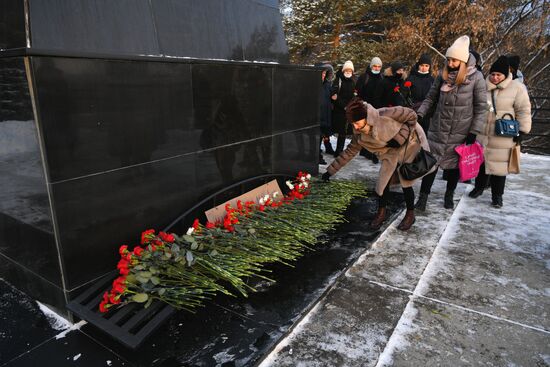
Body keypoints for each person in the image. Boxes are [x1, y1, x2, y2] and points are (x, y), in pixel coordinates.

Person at [322, 97, 432, 231]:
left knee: (406, 181)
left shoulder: (384, 114)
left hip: (408, 146)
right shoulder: (359, 135)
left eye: (357, 123)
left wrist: (400, 137)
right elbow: (349, 152)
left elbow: (411, 115)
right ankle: (381, 213)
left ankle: (410, 214)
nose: (355, 127)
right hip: (389, 154)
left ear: (366, 117)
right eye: (353, 124)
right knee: (382, 183)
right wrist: (329, 172)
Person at [415, 35, 488, 211]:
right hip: (438, 128)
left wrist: (473, 131)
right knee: (431, 164)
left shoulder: (476, 77)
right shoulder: (443, 74)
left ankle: (449, 195)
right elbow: (431, 97)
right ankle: (423, 197)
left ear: (462, 60)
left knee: (454, 166)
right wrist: (420, 114)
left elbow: (481, 107)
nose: (450, 62)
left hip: (461, 130)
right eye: (448, 59)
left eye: (454, 60)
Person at [468, 56, 532, 207]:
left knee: (499, 168)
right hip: (483, 132)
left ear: (505, 75)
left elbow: (523, 110)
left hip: (503, 135)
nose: (495, 77)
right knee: (481, 164)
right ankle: (478, 188)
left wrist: (522, 130)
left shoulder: (517, 88)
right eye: (493, 74)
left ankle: (497, 196)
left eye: (499, 75)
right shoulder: (482, 86)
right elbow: (474, 108)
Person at [356, 56, 385, 163]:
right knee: (365, 130)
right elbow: (358, 92)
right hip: (365, 107)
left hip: (377, 109)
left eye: (378, 67)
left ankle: (372, 152)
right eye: (375, 66)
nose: (377, 68)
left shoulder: (382, 78)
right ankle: (365, 150)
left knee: (375, 131)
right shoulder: (364, 77)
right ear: (371, 66)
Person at [331, 60, 357, 156]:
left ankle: (343, 151)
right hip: (339, 110)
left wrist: (350, 106)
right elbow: (334, 95)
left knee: (347, 132)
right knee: (341, 131)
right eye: (346, 70)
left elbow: (356, 95)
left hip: (350, 109)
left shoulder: (354, 80)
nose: (348, 72)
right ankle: (338, 151)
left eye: (350, 70)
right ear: (343, 70)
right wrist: (343, 105)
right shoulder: (338, 80)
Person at [406, 53, 435, 131]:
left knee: (425, 133)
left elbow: (434, 96)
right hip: (413, 110)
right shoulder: (411, 78)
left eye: (426, 66)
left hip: (426, 112)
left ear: (429, 67)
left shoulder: (432, 80)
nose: (424, 68)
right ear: (418, 65)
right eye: (422, 65)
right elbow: (404, 93)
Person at [317, 63, 335, 164]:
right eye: (321, 73)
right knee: (318, 137)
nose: (323, 75)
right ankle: (317, 157)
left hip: (326, 115)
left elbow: (331, 96)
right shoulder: (315, 85)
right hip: (318, 116)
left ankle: (318, 155)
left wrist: (334, 97)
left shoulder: (327, 85)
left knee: (322, 136)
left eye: (324, 73)